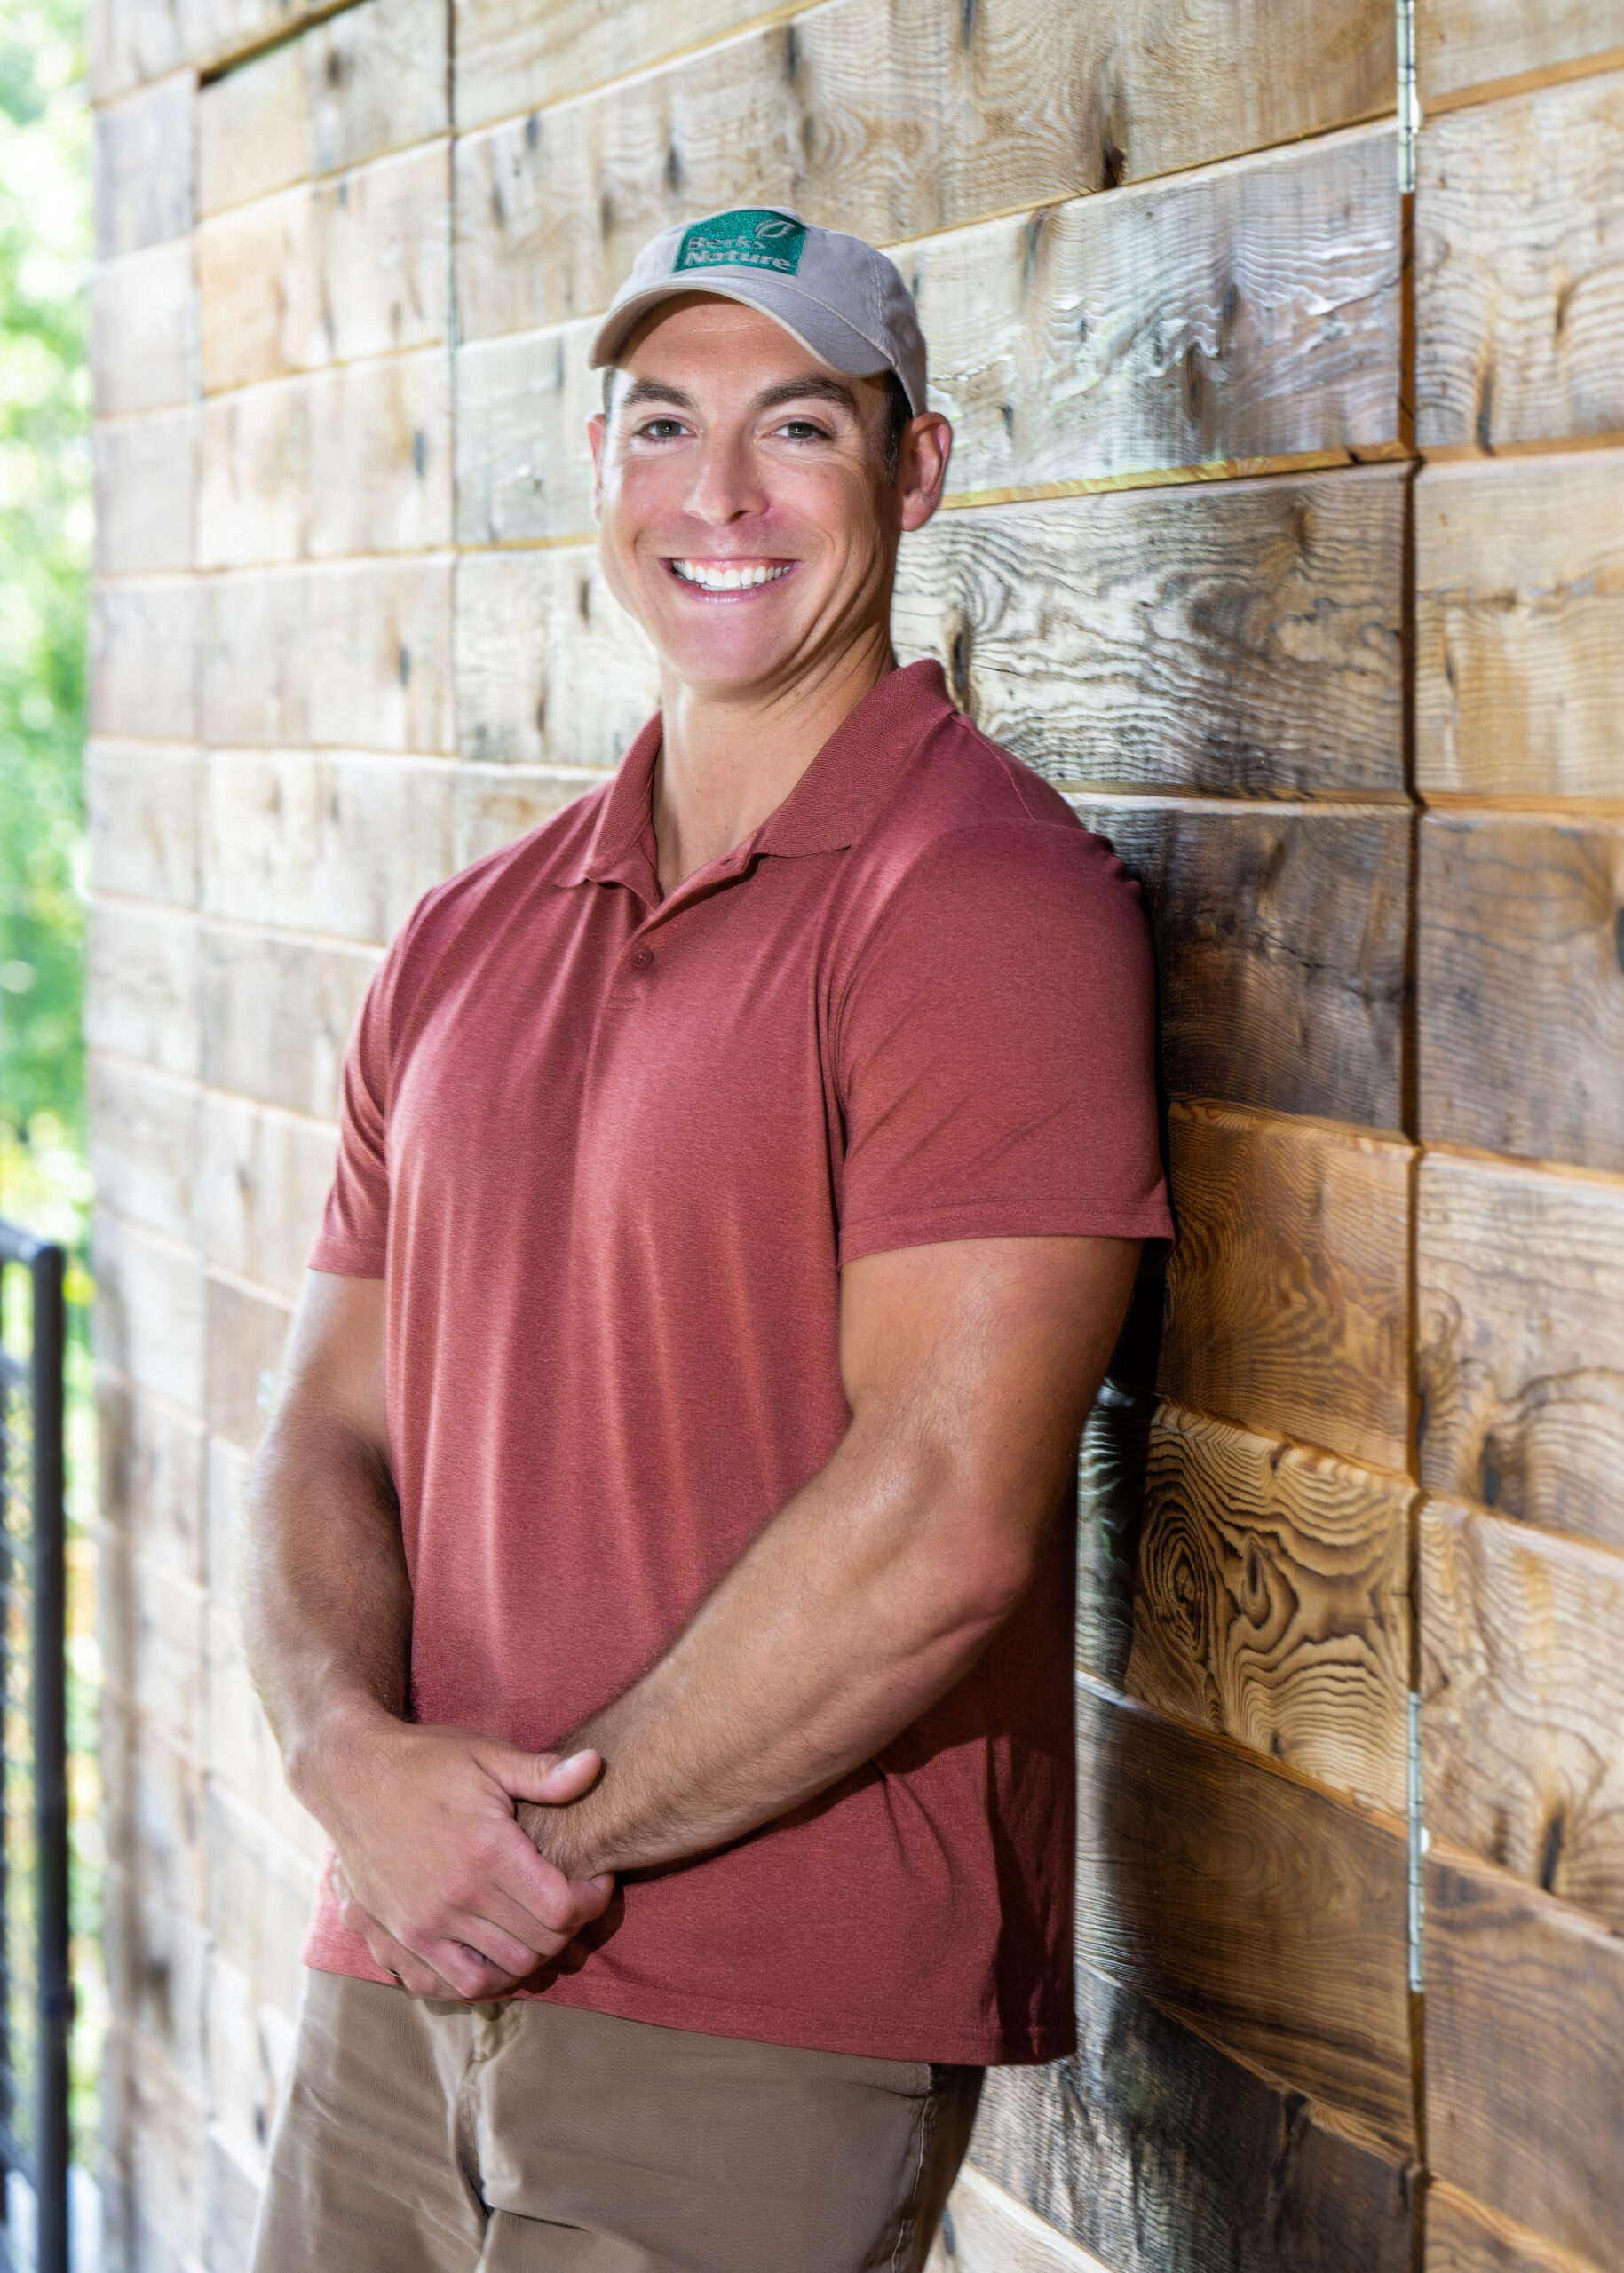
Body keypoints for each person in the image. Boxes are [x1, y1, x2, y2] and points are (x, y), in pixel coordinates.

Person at [243, 205, 1172, 2271]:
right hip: (392, 1969)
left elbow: (942, 1518)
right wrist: (340, 1752)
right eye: (664, 422)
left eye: (801, 427)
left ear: (916, 471)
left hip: (752, 2015)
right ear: (601, 465)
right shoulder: (465, 936)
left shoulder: (979, 903)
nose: (720, 494)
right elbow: (322, 1425)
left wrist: (523, 1851)